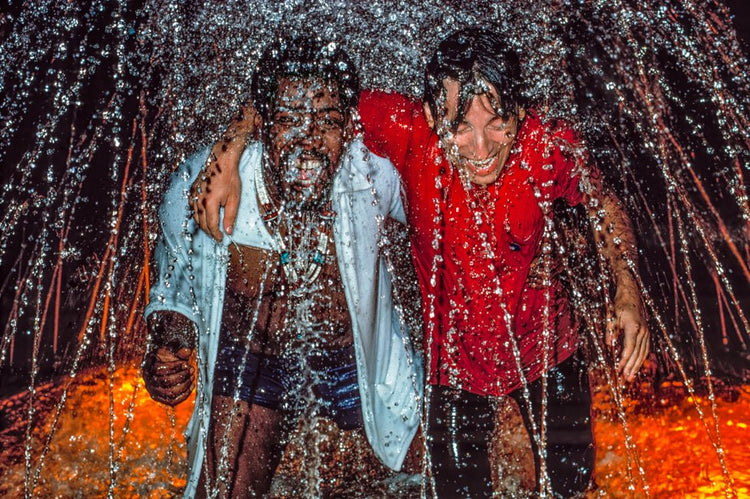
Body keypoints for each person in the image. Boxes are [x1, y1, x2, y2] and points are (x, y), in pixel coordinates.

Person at [191, 28, 651, 498]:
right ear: (432, 114)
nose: (480, 147)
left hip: (547, 350)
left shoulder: (546, 144)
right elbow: (296, 99)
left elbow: (603, 203)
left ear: (520, 110)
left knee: (572, 486)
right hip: (453, 369)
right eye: (459, 125)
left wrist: (628, 292)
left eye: (498, 123)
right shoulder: (405, 129)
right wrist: (227, 153)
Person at [142, 36, 422, 498]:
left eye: (327, 122)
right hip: (254, 366)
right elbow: (179, 282)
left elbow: (446, 208)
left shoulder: (371, 177)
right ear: (261, 124)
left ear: (349, 126)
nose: (308, 140)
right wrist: (171, 347)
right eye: (290, 120)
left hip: (358, 363)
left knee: (443, 478)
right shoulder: (202, 190)